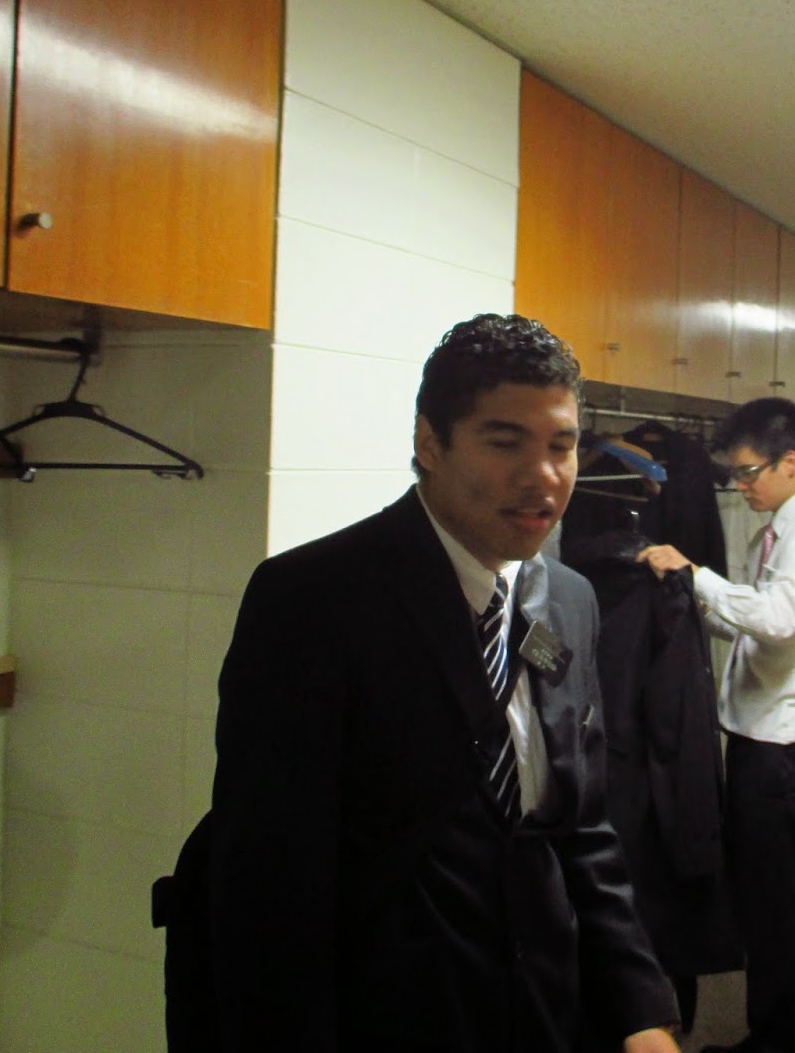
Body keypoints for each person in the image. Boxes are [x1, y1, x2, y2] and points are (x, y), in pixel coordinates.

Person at [204, 314, 681, 1052]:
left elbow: (581, 827)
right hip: (390, 1015)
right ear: (430, 443)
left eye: (561, 446)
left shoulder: (571, 601)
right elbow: (271, 878)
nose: (543, 475)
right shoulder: (314, 599)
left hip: (546, 1008)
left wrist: (638, 1009)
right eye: (505, 442)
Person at [638, 397, 795, 1053]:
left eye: (749, 472)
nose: (741, 486)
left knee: (775, 912)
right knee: (767, 905)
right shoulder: (782, 529)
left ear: (790, 463)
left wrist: (695, 575)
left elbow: (778, 619)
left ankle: (783, 1040)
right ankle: (776, 1033)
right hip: (769, 744)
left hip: (779, 754)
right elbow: (760, 623)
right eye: (734, 474)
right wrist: (695, 606)